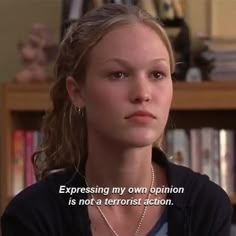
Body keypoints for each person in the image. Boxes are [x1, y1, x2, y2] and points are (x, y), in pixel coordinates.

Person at [1, 3, 233, 236]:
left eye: (157, 74)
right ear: (77, 92)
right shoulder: (33, 215)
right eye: (118, 74)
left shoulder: (205, 206)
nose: (142, 93)